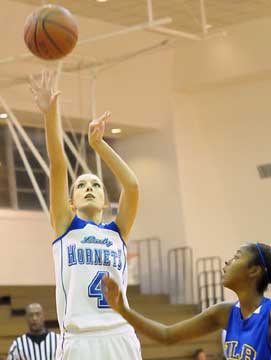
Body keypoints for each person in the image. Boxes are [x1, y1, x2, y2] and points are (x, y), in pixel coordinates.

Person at [29, 71, 141, 360]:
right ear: (70, 201)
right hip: (80, 339)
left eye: (96, 185)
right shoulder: (66, 226)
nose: (88, 188)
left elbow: (132, 186)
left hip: (120, 335)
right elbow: (57, 164)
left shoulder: (118, 232)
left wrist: (99, 145)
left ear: (105, 202)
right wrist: (50, 112)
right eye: (81, 185)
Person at [102, 243, 271, 359]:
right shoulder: (224, 313)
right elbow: (166, 335)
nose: (228, 261)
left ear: (254, 271)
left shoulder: (267, 314)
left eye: (237, 257)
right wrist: (123, 310)